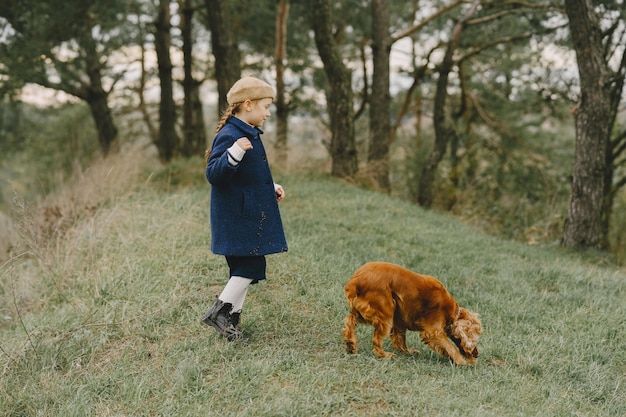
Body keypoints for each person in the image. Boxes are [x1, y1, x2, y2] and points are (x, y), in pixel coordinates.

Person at [201, 76, 288, 341]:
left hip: (245, 212)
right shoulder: (231, 135)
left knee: (242, 269)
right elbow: (214, 174)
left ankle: (231, 326)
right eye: (265, 106)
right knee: (250, 267)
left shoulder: (246, 131)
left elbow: (248, 174)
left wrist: (270, 186)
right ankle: (218, 312)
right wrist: (234, 153)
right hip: (238, 217)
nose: (268, 112)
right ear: (247, 104)